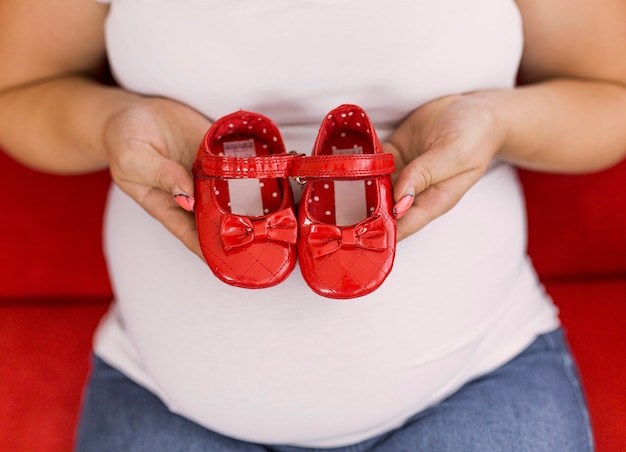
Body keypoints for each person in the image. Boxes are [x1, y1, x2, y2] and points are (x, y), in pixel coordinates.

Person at [1, 0, 625, 450]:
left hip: (480, 380)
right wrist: (115, 124)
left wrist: (496, 123)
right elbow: (16, 90)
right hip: (161, 399)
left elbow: (613, 92)